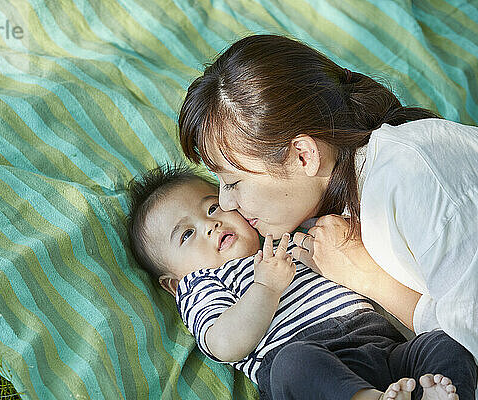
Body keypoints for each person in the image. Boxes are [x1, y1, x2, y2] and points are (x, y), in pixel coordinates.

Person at [178, 34, 478, 368]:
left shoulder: (416, 176)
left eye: (234, 182)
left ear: (302, 156)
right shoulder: (317, 213)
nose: (226, 203)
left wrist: (372, 281)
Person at [125, 164, 476, 400]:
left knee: (445, 340)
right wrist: (265, 287)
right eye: (187, 234)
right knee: (294, 364)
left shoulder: (280, 237)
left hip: (383, 348)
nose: (210, 225)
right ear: (173, 284)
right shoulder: (200, 283)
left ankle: (437, 393)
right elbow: (223, 343)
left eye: (213, 207)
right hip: (310, 366)